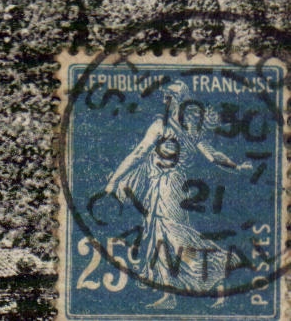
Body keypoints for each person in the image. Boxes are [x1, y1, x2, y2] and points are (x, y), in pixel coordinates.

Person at [103, 81, 254, 309]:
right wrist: (235, 166)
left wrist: (114, 180)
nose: (165, 99)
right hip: (167, 186)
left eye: (169, 96)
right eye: (165, 95)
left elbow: (138, 154)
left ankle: (211, 270)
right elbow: (212, 155)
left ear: (178, 101)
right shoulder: (187, 128)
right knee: (163, 236)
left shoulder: (164, 126)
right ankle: (181, 289)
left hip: (168, 188)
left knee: (171, 237)